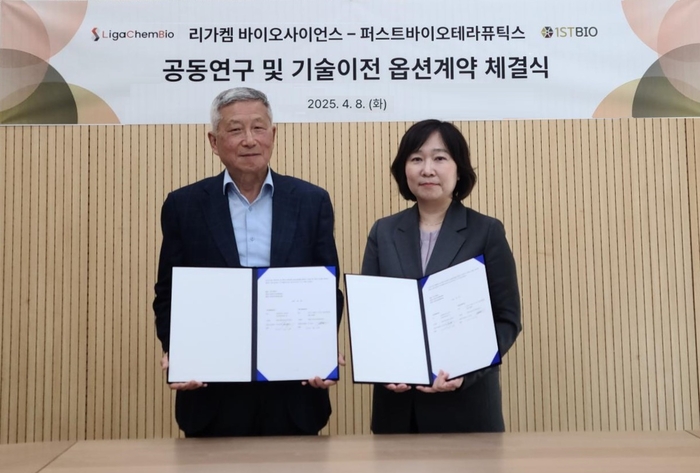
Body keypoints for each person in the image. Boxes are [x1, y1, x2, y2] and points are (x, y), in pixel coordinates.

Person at [153, 87, 343, 437]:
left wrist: (321, 349)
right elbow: (169, 292)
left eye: (258, 127)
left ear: (273, 134)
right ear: (213, 141)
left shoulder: (311, 201)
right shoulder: (184, 205)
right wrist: (178, 352)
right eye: (235, 129)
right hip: (211, 392)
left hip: (294, 391)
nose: (249, 140)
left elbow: (327, 288)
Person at [362, 119, 521, 433]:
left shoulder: (486, 231)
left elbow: (507, 319)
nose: (427, 169)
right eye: (416, 159)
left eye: (440, 158)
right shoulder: (384, 232)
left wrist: (467, 371)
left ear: (459, 169)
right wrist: (384, 368)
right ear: (404, 169)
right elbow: (371, 315)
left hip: (467, 408)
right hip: (398, 411)